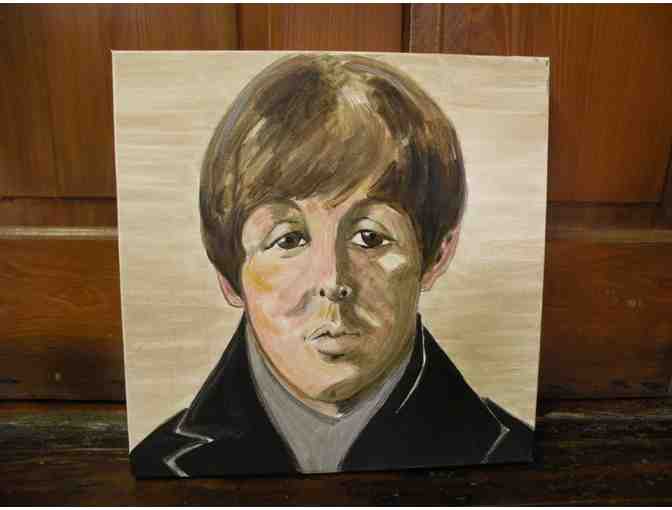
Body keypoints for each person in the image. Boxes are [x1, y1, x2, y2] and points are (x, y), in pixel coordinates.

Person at [130, 54, 533, 478]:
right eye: (288, 240)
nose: (332, 280)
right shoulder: (161, 465)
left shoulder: (503, 453)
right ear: (229, 276)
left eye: (370, 238)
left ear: (436, 257)